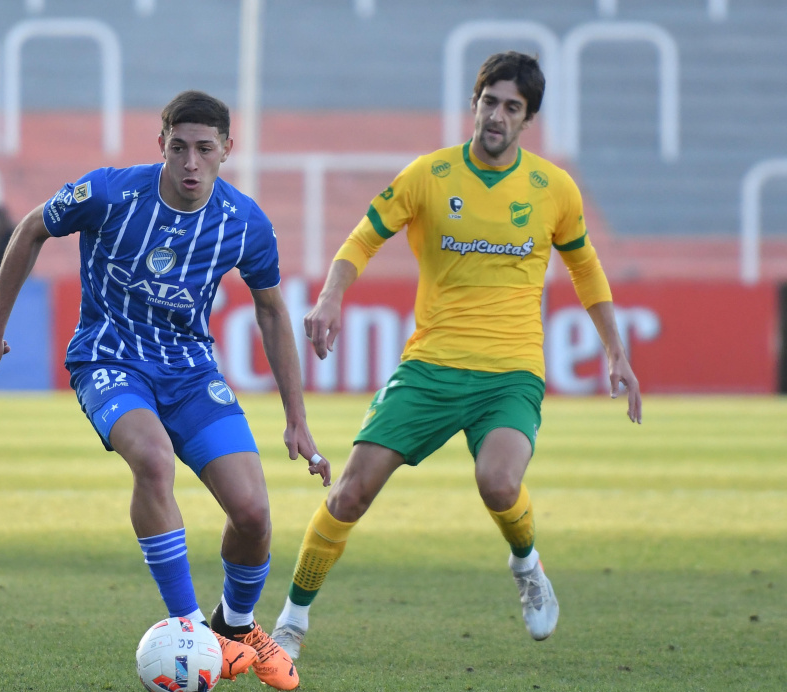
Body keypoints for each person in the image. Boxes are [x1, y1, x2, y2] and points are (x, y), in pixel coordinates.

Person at [270, 51, 642, 659]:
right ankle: (290, 623)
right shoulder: (429, 175)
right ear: (475, 104)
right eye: (489, 101)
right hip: (430, 367)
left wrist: (616, 351)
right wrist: (332, 295)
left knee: (498, 482)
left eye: (512, 107)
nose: (497, 115)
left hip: (511, 372)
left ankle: (527, 567)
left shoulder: (554, 189)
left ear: (528, 119)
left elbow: (585, 266)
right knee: (349, 494)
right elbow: (364, 236)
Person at [0, 90, 332, 692]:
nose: (191, 162)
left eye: (205, 149)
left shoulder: (244, 223)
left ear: (227, 151)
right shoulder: (113, 193)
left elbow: (270, 310)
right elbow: (33, 227)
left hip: (189, 372)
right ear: (161, 145)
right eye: (179, 147)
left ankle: (234, 630)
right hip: (109, 359)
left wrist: (296, 417)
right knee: (153, 459)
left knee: (252, 512)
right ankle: (188, 629)